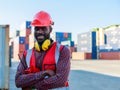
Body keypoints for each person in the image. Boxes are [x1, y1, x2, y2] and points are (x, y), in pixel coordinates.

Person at [15, 11, 71, 90]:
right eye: (37, 28)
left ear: (50, 30)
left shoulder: (62, 51)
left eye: (44, 28)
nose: (40, 32)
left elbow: (60, 80)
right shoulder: (27, 54)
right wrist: (44, 73)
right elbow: (18, 81)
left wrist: (31, 85)